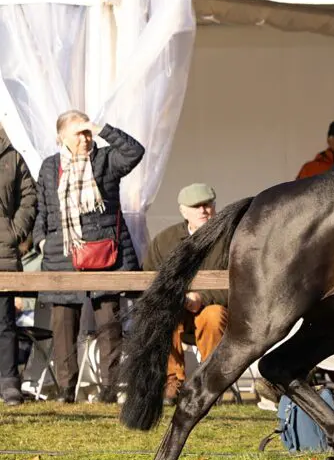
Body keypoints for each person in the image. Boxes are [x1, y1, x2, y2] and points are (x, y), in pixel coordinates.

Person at [33, 110, 144, 404]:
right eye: (78, 133)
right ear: (61, 137)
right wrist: (41, 240)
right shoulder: (50, 166)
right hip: (62, 253)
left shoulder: (106, 159)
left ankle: (109, 390)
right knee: (63, 325)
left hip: (104, 252)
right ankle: (66, 391)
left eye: (86, 132)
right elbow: (44, 209)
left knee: (109, 324)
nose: (84, 138)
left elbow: (135, 152)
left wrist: (101, 128)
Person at [144, 184, 229, 405]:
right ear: (183, 211)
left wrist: (203, 298)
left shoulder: (230, 239)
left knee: (213, 315)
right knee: (162, 314)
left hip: (217, 308)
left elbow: (240, 282)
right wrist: (178, 298)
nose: (203, 211)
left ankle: (211, 384)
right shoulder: (165, 240)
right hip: (177, 307)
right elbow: (150, 278)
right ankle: (171, 382)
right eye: (196, 206)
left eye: (207, 205)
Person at [0, 124, 37, 406]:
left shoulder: (11, 156)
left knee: (4, 323)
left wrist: (13, 231)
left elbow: (29, 196)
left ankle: (9, 382)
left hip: (2, 253)